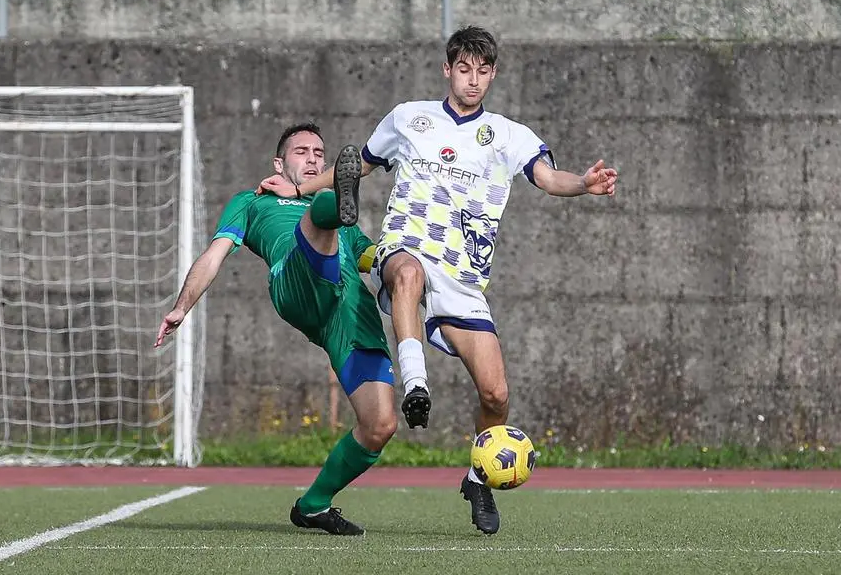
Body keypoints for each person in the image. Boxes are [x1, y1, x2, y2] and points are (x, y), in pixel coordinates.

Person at [259, 26, 618, 535]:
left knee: (495, 394)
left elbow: (546, 178)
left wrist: (583, 183)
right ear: (448, 69)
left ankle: (477, 478)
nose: (473, 81)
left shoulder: (509, 134)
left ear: (492, 75)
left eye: (483, 72)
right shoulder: (410, 118)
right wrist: (297, 184)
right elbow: (355, 168)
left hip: (463, 277)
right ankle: (416, 382)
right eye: (464, 69)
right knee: (406, 272)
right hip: (405, 246)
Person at [156, 123, 396, 536]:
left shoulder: (348, 223)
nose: (313, 158)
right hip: (297, 282)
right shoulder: (251, 202)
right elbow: (214, 255)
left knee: (380, 425)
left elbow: (371, 260)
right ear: (279, 163)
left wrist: (410, 272)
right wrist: (182, 307)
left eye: (320, 153)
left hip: (350, 308)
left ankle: (313, 505)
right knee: (324, 215)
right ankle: (334, 202)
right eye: (302, 152)